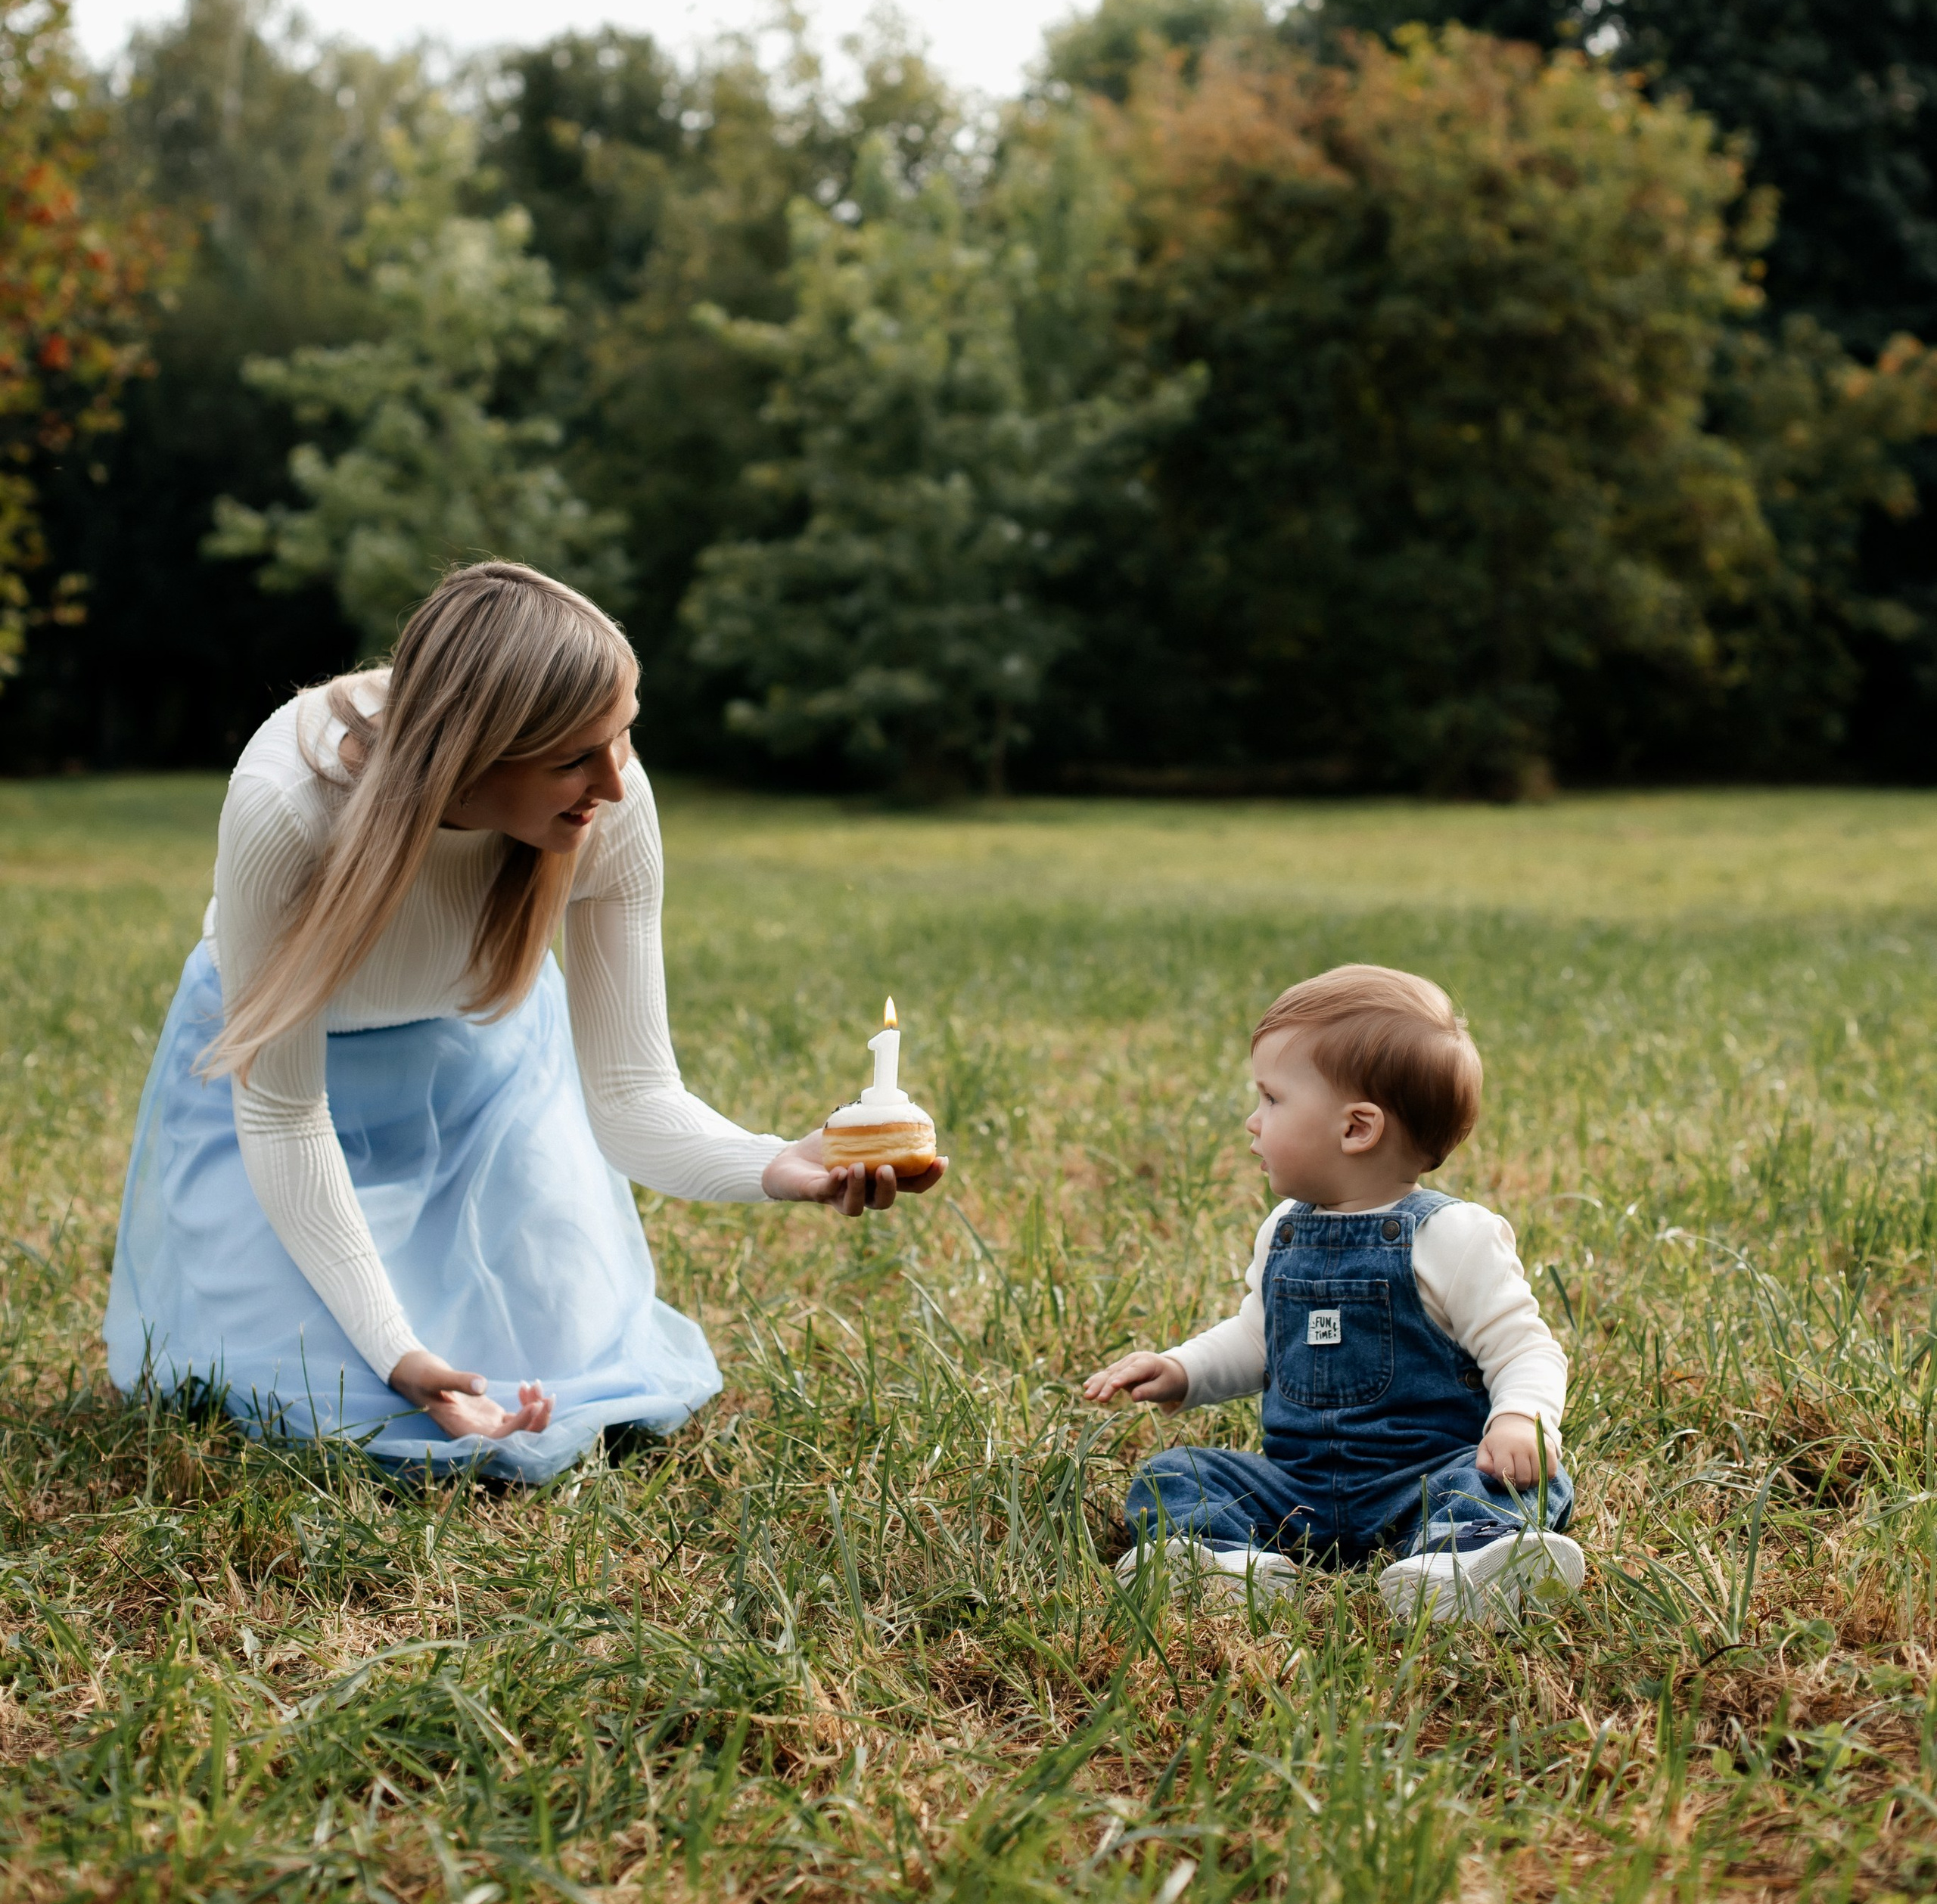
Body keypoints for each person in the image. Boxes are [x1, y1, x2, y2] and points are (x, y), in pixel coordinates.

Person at [105, 560, 943, 1481]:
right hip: (284, 1103)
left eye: (623, 736)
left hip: (481, 1074)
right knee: (323, 1394)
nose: (616, 784)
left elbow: (632, 1095)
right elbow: (283, 1114)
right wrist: (398, 1354)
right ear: (466, 761)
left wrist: (773, 1164)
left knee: (562, 1363)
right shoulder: (289, 805)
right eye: (573, 759)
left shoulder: (608, 803)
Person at [1083, 963, 1581, 1623]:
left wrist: (1521, 1420)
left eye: (1271, 1099)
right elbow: (1258, 1338)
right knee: (1178, 1473)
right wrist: (1182, 1369)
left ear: (1356, 1129)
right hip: (1299, 1491)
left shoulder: (1453, 1236)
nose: (1252, 1121)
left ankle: (1458, 1559)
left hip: (1424, 1482)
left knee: (1505, 1482)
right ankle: (1227, 1564)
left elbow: (1525, 1350)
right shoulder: (1283, 1231)